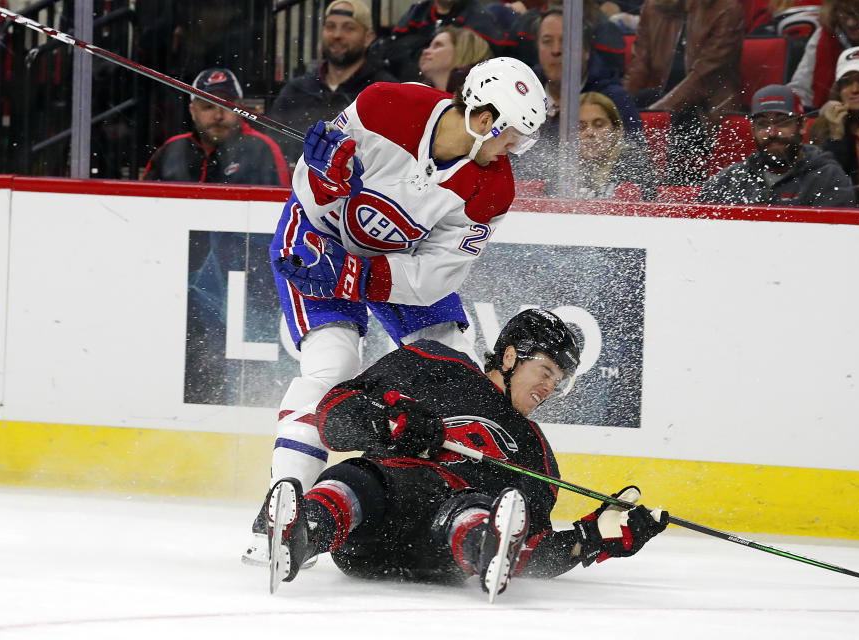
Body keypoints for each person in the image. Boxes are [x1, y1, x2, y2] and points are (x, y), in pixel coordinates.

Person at [241, 57, 549, 565]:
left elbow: (437, 275)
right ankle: (279, 512)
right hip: (317, 242)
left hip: (395, 262)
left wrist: (360, 276)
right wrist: (325, 182)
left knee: (454, 373)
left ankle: (469, 507)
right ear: (483, 118)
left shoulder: (493, 188)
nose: (514, 148)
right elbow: (315, 198)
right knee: (332, 362)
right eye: (512, 134)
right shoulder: (388, 106)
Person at [264, 309, 669, 599]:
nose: (550, 388)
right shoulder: (435, 363)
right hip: (369, 528)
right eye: (546, 372)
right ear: (510, 357)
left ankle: (484, 545)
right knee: (357, 476)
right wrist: (386, 419)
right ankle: (301, 533)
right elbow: (333, 415)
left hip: (442, 551)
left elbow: (532, 549)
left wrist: (590, 539)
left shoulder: (537, 454)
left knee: (471, 506)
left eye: (558, 382)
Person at [512, 9, 650, 181]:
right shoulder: (521, 95)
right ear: (538, 50)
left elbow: (638, 165)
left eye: (566, 42)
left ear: (586, 51)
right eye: (547, 41)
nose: (556, 50)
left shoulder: (615, 99)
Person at [622, 0, 745, 185]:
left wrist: (657, 114)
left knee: (654, 127)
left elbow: (704, 75)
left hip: (708, 109)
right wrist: (617, 108)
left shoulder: (727, 8)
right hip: (663, 100)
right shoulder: (653, 7)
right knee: (625, 121)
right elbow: (638, 65)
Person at [268, 0, 397, 165]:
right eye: (330, 26)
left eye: (348, 28)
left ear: (368, 37)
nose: (337, 35)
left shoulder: (384, 91)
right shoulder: (297, 89)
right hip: (298, 188)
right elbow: (272, 147)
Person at [698, 84, 856, 206]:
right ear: (753, 129)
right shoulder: (729, 179)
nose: (772, 132)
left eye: (782, 122)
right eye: (762, 124)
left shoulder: (828, 178)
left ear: (802, 125)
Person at [142, 68, 290, 185]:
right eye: (208, 107)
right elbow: (143, 203)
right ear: (193, 111)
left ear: (241, 109)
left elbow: (281, 206)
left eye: (226, 106)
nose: (218, 116)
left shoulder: (262, 148)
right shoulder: (171, 150)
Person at [543, 92, 656, 199]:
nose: (590, 133)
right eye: (581, 127)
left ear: (617, 130)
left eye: (599, 125)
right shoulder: (562, 164)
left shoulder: (635, 162)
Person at [808, 46, 859, 187]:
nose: (855, 89)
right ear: (838, 89)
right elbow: (824, 185)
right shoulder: (821, 128)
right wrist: (836, 137)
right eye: (847, 82)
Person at [385, 0, 516, 81]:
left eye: (437, 45)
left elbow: (498, 62)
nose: (427, 52)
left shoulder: (480, 20)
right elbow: (392, 51)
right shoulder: (417, 12)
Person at [418, 26, 492, 94]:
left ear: (463, 51)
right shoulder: (418, 94)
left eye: (438, 45)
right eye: (429, 46)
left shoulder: (479, 98)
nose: (425, 51)